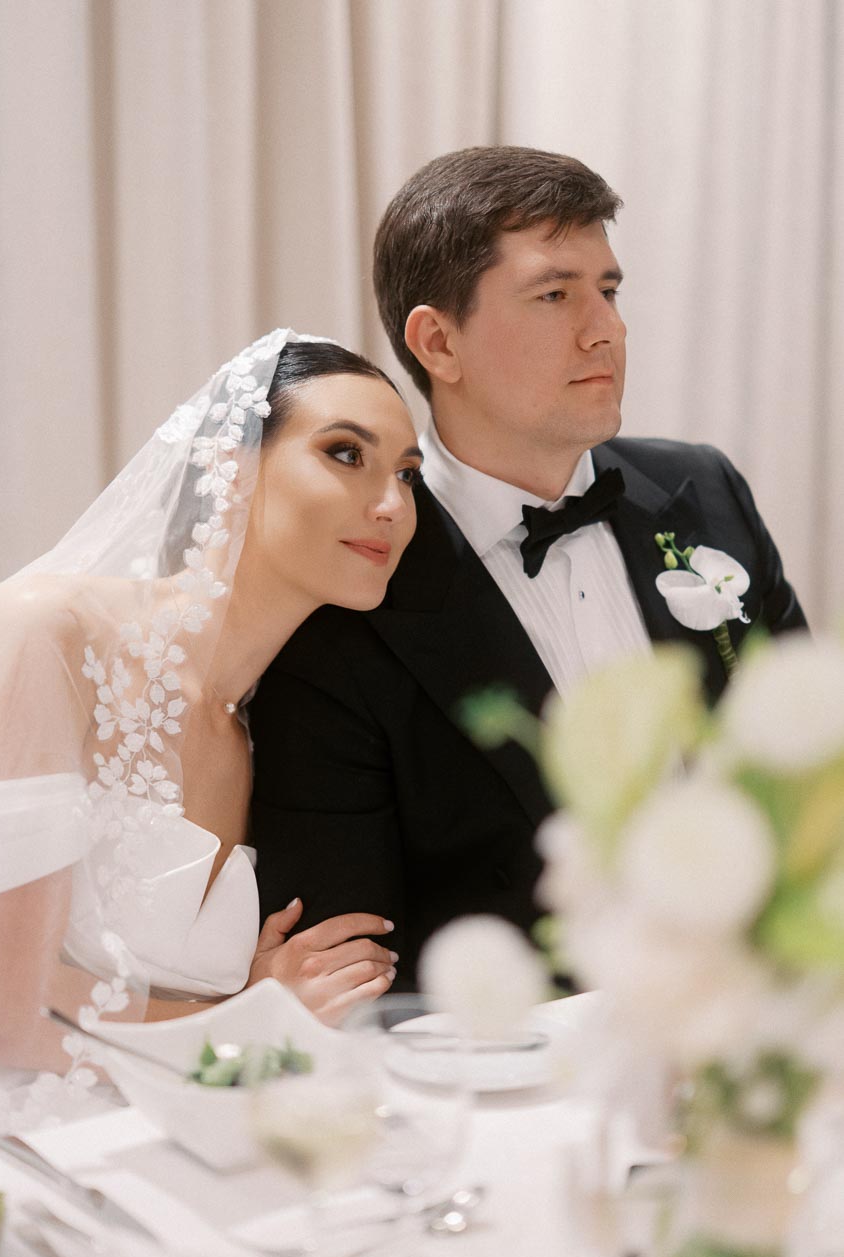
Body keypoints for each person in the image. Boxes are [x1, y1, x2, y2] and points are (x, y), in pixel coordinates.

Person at [249, 147, 807, 988]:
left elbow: (811, 764)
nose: (606, 328)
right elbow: (353, 970)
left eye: (609, 290)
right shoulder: (350, 594)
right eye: (556, 294)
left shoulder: (703, 490)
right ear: (439, 341)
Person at [0, 330, 418, 1141]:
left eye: (407, 474)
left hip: (160, 1139)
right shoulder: (49, 635)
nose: (391, 505)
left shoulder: (255, 729)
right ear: (230, 469)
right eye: (346, 454)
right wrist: (246, 1025)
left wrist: (252, 995)